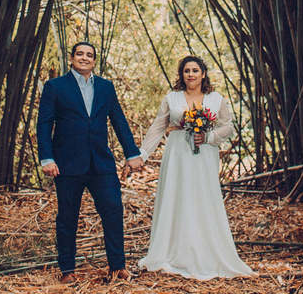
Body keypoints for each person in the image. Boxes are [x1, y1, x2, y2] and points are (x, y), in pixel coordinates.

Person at [136, 55, 254, 279]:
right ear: (182, 75)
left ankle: (205, 249)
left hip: (204, 155)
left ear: (203, 74)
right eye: (186, 70)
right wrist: (141, 154)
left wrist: (209, 137)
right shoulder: (172, 98)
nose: (190, 74)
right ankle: (173, 250)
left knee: (203, 196)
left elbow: (227, 126)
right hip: (178, 153)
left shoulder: (215, 98)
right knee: (177, 195)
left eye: (194, 70)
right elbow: (157, 128)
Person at [37, 41, 144, 283]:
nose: (84, 58)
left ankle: (118, 267)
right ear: (72, 58)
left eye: (89, 55)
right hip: (66, 163)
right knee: (67, 217)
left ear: (94, 60)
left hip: (101, 163)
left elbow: (118, 120)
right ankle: (67, 271)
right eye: (80, 54)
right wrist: (47, 157)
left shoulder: (106, 87)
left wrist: (132, 153)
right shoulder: (55, 87)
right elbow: (44, 124)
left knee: (113, 211)